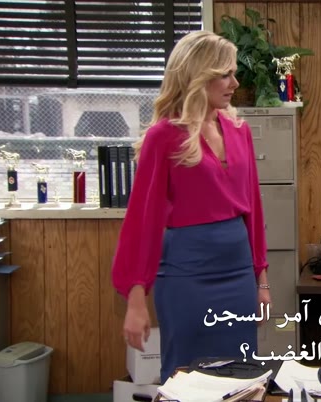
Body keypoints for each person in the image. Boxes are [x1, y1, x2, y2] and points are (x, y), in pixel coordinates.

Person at [111, 31, 271, 383]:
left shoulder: (238, 130)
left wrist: (261, 280)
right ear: (199, 75)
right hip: (187, 275)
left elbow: (253, 211)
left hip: (238, 272)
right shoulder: (164, 136)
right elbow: (142, 220)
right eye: (225, 74)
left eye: (234, 73)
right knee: (187, 376)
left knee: (239, 375)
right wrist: (136, 300)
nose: (235, 83)